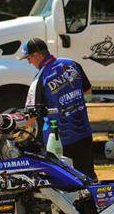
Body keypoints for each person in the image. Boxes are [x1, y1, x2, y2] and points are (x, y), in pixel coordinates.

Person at [19, 37, 96, 180]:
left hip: (59, 141)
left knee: (65, 182)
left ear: (37, 55)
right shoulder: (72, 64)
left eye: (29, 58)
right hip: (84, 132)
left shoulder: (40, 79)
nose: (29, 62)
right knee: (88, 177)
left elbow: (30, 116)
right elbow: (87, 90)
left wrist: (16, 131)